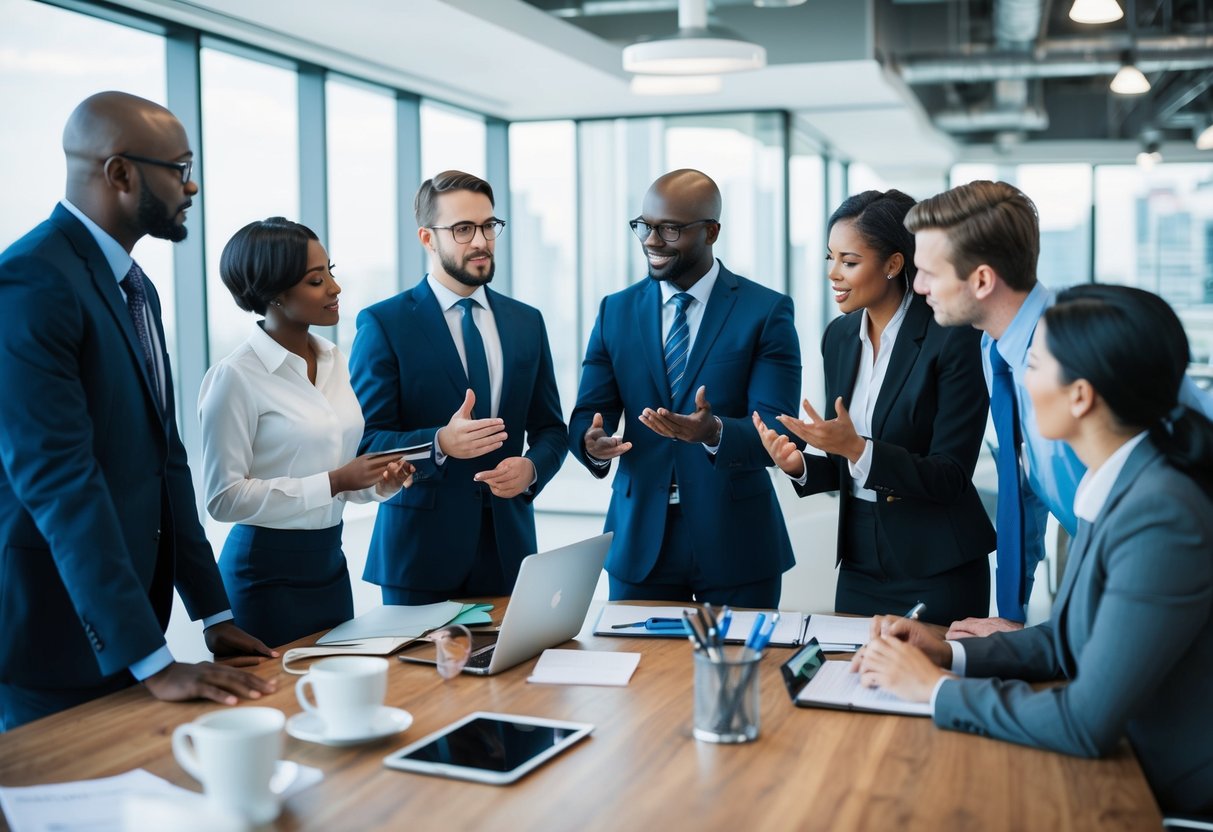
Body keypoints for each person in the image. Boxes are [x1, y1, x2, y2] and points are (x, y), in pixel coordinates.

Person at [852, 284, 1213, 816]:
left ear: (1081, 396)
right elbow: (1074, 641)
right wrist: (947, 652)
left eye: (1034, 364)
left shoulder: (1163, 513)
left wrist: (934, 689)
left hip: (1160, 790)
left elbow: (1085, 722)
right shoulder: (1122, 482)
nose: (1018, 380)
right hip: (1122, 763)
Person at [0, 92, 274, 731]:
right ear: (120, 174)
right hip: (52, 633)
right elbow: (59, 482)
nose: (192, 184)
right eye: (178, 168)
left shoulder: (136, 285)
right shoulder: (32, 282)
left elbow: (163, 458)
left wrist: (214, 614)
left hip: (131, 629)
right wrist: (154, 661)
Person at [906, 180, 1213, 636]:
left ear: (983, 280)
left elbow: (1186, 450)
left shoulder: (1085, 343)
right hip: (1099, 559)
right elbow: (1023, 488)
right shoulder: (995, 353)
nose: (918, 286)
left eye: (930, 272)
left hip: (1165, 572)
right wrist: (1011, 614)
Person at [753, 191, 993, 626]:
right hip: (860, 562)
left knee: (924, 687)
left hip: (937, 565)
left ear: (893, 264)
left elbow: (951, 475)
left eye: (848, 261)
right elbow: (851, 467)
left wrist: (859, 449)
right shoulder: (839, 337)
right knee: (848, 684)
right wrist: (800, 466)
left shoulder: (954, 338)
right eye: (830, 258)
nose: (833, 274)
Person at [568, 169, 800, 608]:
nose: (652, 241)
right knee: (641, 676)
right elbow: (587, 414)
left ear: (711, 231)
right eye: (644, 226)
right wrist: (591, 443)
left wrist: (713, 432)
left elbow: (776, 428)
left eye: (669, 229)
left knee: (740, 675)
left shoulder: (766, 311)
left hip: (737, 541)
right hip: (639, 542)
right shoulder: (615, 311)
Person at [349, 170, 566, 605]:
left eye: (488, 226)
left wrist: (532, 469)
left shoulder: (527, 322)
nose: (481, 241)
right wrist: (440, 442)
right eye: (463, 229)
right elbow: (366, 443)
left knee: (510, 674)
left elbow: (551, 430)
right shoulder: (384, 324)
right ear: (428, 238)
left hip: (509, 551)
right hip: (419, 555)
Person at [199, 218, 414, 647]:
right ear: (275, 294)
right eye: (317, 280)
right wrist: (336, 481)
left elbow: (338, 480)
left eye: (330, 272)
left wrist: (379, 485)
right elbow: (222, 500)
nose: (335, 288)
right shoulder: (235, 377)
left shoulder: (334, 359)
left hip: (329, 567)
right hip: (262, 574)